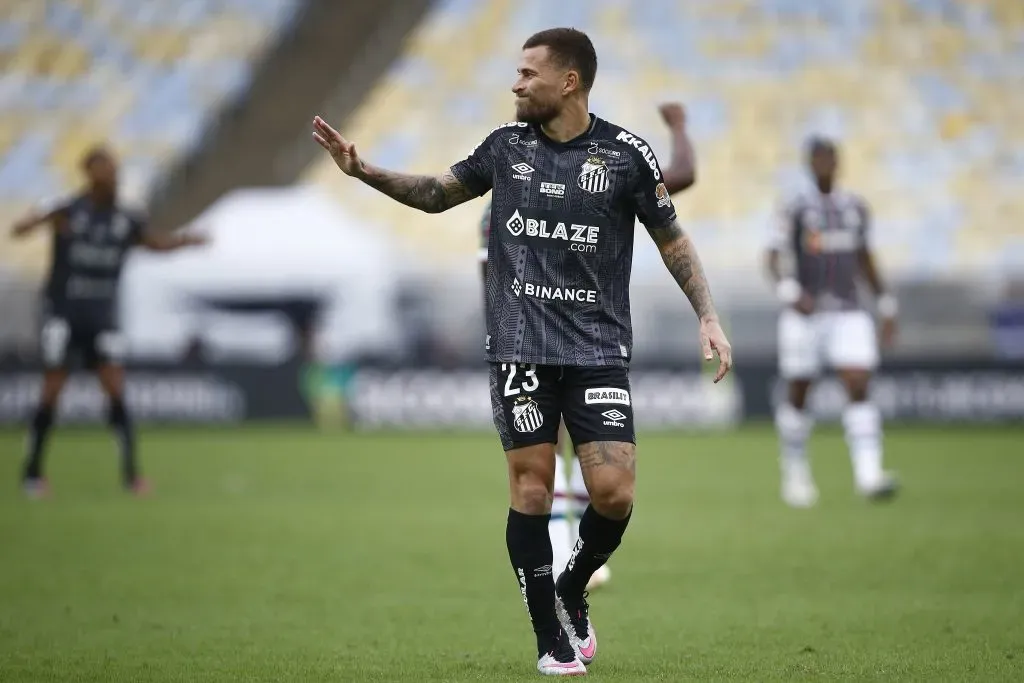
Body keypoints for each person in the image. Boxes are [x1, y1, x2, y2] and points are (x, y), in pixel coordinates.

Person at [313, 27, 732, 676]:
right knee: (531, 488)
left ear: (569, 82)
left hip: (596, 348)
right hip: (519, 350)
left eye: (528, 73)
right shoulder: (504, 149)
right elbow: (433, 194)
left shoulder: (625, 155)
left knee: (614, 492)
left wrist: (707, 314)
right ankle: (550, 639)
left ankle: (572, 586)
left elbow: (670, 237)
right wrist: (361, 169)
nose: (516, 83)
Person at [475, 102, 698, 594]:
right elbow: (488, 275)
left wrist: (679, 129)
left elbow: (678, 177)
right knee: (542, 446)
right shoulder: (500, 206)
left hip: (590, 334)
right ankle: (557, 542)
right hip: (527, 336)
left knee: (601, 467)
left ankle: (572, 552)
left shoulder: (598, 177)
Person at [11, 146, 208, 498]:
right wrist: (31, 220)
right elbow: (21, 228)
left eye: (115, 171)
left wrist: (184, 242)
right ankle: (32, 472)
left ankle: (132, 475)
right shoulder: (66, 210)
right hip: (64, 314)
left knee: (116, 391)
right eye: (107, 171)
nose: (113, 177)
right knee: (52, 391)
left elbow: (154, 243)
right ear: (89, 173)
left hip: (103, 316)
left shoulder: (125, 217)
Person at [766, 137, 899, 508]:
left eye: (830, 158)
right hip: (804, 314)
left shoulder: (855, 207)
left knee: (858, 381)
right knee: (799, 390)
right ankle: (795, 472)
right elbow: (773, 257)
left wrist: (886, 304)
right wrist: (791, 292)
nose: (824, 164)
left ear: (837, 163)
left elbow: (865, 257)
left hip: (848, 309)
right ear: (810, 163)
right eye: (818, 158)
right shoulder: (794, 206)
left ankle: (869, 474)